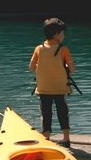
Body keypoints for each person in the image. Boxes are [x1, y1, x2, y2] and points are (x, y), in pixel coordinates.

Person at [28, 17, 74, 148]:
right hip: (59, 87)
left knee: (46, 112)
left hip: (43, 88)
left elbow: (31, 68)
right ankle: (66, 139)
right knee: (62, 112)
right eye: (63, 33)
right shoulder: (63, 49)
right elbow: (72, 69)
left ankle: (46, 138)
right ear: (56, 34)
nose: (64, 36)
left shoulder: (38, 49)